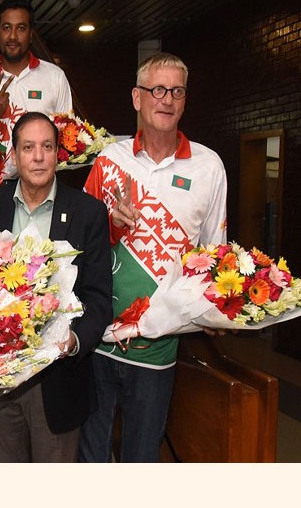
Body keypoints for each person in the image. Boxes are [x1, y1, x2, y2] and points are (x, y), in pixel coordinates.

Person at [78, 52, 228, 463]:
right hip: (98, 338)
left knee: (141, 458)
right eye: (157, 90)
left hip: (159, 345)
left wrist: (220, 307)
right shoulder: (110, 160)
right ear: (136, 98)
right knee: (90, 456)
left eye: (177, 91)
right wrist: (111, 223)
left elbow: (215, 254)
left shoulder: (209, 166)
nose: (167, 99)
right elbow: (77, 249)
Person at [0, 112, 112, 462]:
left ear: (57, 155)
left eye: (47, 147)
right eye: (29, 147)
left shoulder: (88, 212)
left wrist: (75, 340)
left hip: (58, 382)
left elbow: (98, 298)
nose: (38, 156)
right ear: (14, 157)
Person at [0, 0, 74, 182]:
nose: (13, 36)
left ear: (31, 34)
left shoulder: (55, 77)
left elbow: (67, 143)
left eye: (21, 28)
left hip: (43, 190)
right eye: (6, 28)